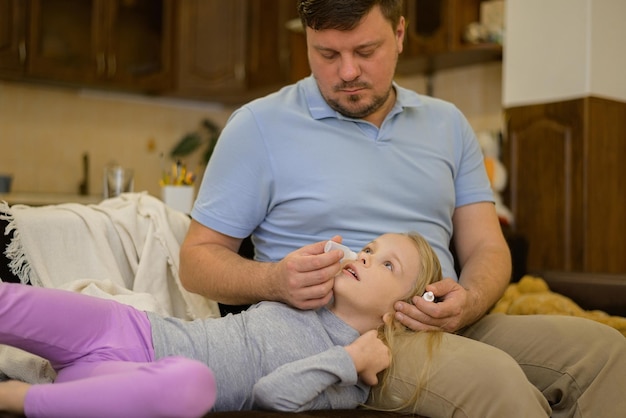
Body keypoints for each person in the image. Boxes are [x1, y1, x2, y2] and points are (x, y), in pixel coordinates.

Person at [179, 0, 626, 416]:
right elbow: (196, 260)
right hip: (350, 338)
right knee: (494, 381)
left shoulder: (447, 123)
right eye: (327, 54)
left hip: (452, 323)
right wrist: (274, 280)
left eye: (365, 50)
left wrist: (467, 303)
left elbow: (488, 247)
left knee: (606, 353)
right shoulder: (258, 124)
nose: (347, 71)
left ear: (399, 34)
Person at [0, 232, 442, 417]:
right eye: (367, 247)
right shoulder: (308, 296)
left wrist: (348, 357)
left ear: (398, 310)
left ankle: (21, 398)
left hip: (132, 378)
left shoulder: (352, 375)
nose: (364, 256)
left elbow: (272, 395)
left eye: (386, 264)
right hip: (129, 329)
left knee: (194, 384)